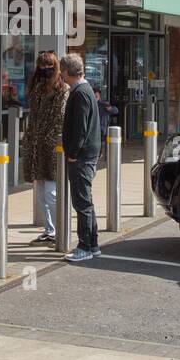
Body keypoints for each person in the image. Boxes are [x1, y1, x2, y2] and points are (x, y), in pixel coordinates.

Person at [22, 51, 68, 244]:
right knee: (40, 194)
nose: (45, 69)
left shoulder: (62, 89)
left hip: (50, 148)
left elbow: (60, 118)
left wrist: (49, 140)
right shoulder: (38, 87)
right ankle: (49, 229)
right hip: (35, 146)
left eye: (48, 66)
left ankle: (60, 230)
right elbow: (33, 116)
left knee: (51, 193)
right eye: (41, 65)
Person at [59, 53, 101, 262]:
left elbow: (80, 128)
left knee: (81, 202)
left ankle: (85, 246)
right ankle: (92, 244)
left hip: (82, 157)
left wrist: (73, 153)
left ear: (66, 72)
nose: (61, 76)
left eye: (61, 72)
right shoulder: (84, 91)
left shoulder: (80, 93)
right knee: (86, 201)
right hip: (85, 155)